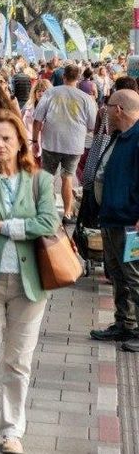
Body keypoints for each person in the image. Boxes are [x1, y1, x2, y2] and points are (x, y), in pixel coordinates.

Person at [0, 109, 58, 454]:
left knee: (18, 362)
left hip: (28, 284)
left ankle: (12, 430)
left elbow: (48, 223)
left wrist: (3, 227)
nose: (0, 144)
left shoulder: (39, 180)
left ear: (20, 142)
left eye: (6, 138)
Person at [91, 90, 139, 351]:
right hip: (111, 216)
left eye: (108, 106)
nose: (105, 111)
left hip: (129, 221)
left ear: (118, 109)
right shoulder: (120, 136)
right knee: (118, 273)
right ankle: (124, 322)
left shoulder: (136, 137)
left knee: (134, 275)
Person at [32, 65, 97, 224]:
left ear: (63, 77)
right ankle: (67, 214)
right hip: (74, 144)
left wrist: (34, 141)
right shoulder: (86, 98)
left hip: (51, 142)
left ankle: (46, 212)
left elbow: (37, 120)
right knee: (67, 178)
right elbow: (92, 125)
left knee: (47, 178)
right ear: (78, 78)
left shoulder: (50, 93)